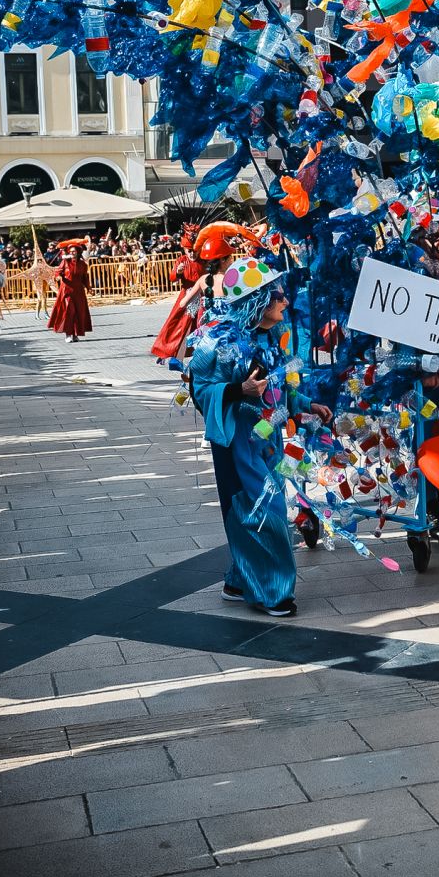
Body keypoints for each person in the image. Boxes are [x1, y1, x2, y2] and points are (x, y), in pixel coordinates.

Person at [189, 258, 332, 616]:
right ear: (258, 300)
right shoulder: (218, 339)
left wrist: (306, 405)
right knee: (264, 509)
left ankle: (239, 581)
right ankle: (274, 593)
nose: (286, 301)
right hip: (237, 442)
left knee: (257, 507)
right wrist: (239, 390)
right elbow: (199, 388)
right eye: (278, 295)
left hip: (268, 441)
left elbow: (278, 386)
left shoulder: (269, 337)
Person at [151, 226, 206, 362]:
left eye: (195, 251)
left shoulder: (205, 260)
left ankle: (201, 352)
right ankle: (167, 351)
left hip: (202, 297)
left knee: (201, 324)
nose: (192, 254)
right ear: (184, 250)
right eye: (189, 251)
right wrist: (178, 272)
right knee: (177, 325)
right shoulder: (181, 260)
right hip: (186, 296)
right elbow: (172, 277)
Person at [47, 242, 92, 342]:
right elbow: (58, 272)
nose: (72, 253)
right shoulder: (65, 262)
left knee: (78, 313)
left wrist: (89, 288)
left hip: (78, 292)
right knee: (69, 311)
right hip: (67, 290)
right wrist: (58, 277)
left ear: (78, 252)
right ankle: (68, 334)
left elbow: (85, 278)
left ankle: (75, 334)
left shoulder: (83, 264)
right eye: (71, 251)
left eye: (74, 251)